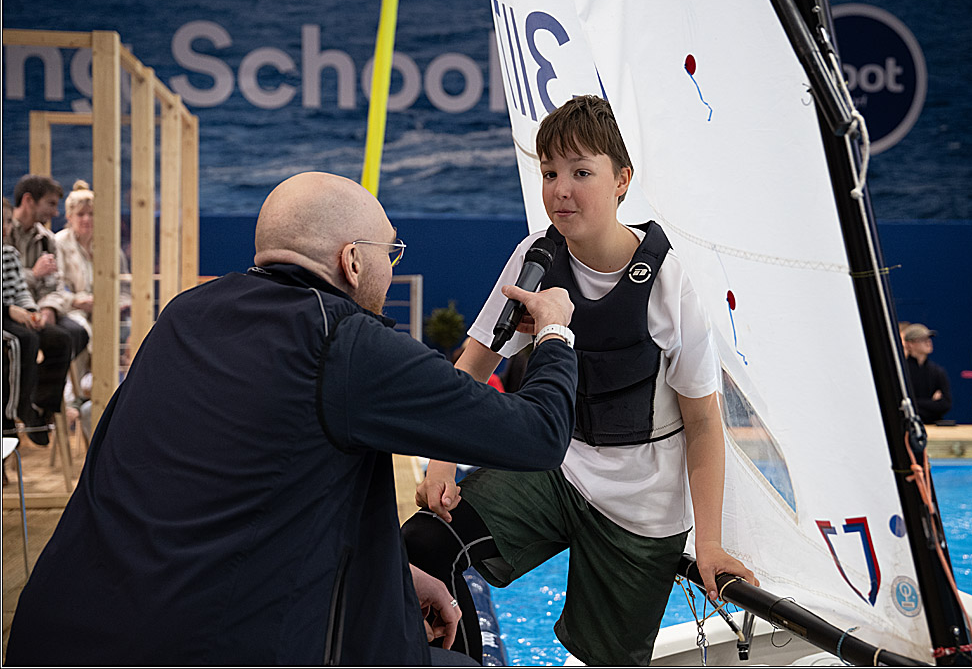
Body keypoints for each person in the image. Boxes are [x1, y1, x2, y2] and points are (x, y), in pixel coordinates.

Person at [5, 172, 579, 666]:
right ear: (353, 261)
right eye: (391, 253)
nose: (393, 267)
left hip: (54, 633)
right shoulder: (346, 341)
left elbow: (246, 496)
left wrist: (386, 574)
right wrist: (555, 329)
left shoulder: (186, 315)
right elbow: (539, 435)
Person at [402, 95, 757, 667]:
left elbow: (704, 422)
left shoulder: (669, 281)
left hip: (642, 509)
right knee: (420, 548)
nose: (560, 189)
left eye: (581, 172)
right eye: (549, 173)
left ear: (622, 180)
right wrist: (439, 464)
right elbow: (473, 362)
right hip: (556, 471)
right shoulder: (533, 258)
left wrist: (710, 544)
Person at [6, 174, 89, 440]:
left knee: (73, 335)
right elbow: (13, 278)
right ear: (29, 201)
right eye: (51, 204)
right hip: (10, 311)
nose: (55, 212)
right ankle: (24, 403)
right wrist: (34, 273)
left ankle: (42, 404)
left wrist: (47, 309)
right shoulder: (5, 232)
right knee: (25, 343)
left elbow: (54, 285)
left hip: (34, 308)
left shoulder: (46, 239)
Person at [54, 179, 132, 350]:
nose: (87, 219)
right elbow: (55, 288)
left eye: (92, 214)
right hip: (72, 311)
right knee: (82, 331)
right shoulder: (58, 243)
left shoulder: (110, 247)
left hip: (109, 312)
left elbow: (125, 287)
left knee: (130, 329)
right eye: (81, 214)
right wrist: (77, 301)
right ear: (69, 216)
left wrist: (119, 304)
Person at [903, 322, 952, 424]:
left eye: (929, 339)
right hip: (908, 424)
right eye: (922, 339)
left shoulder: (937, 371)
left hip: (934, 424)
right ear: (910, 344)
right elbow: (903, 404)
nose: (928, 342)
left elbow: (946, 404)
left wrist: (917, 403)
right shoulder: (903, 371)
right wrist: (932, 402)